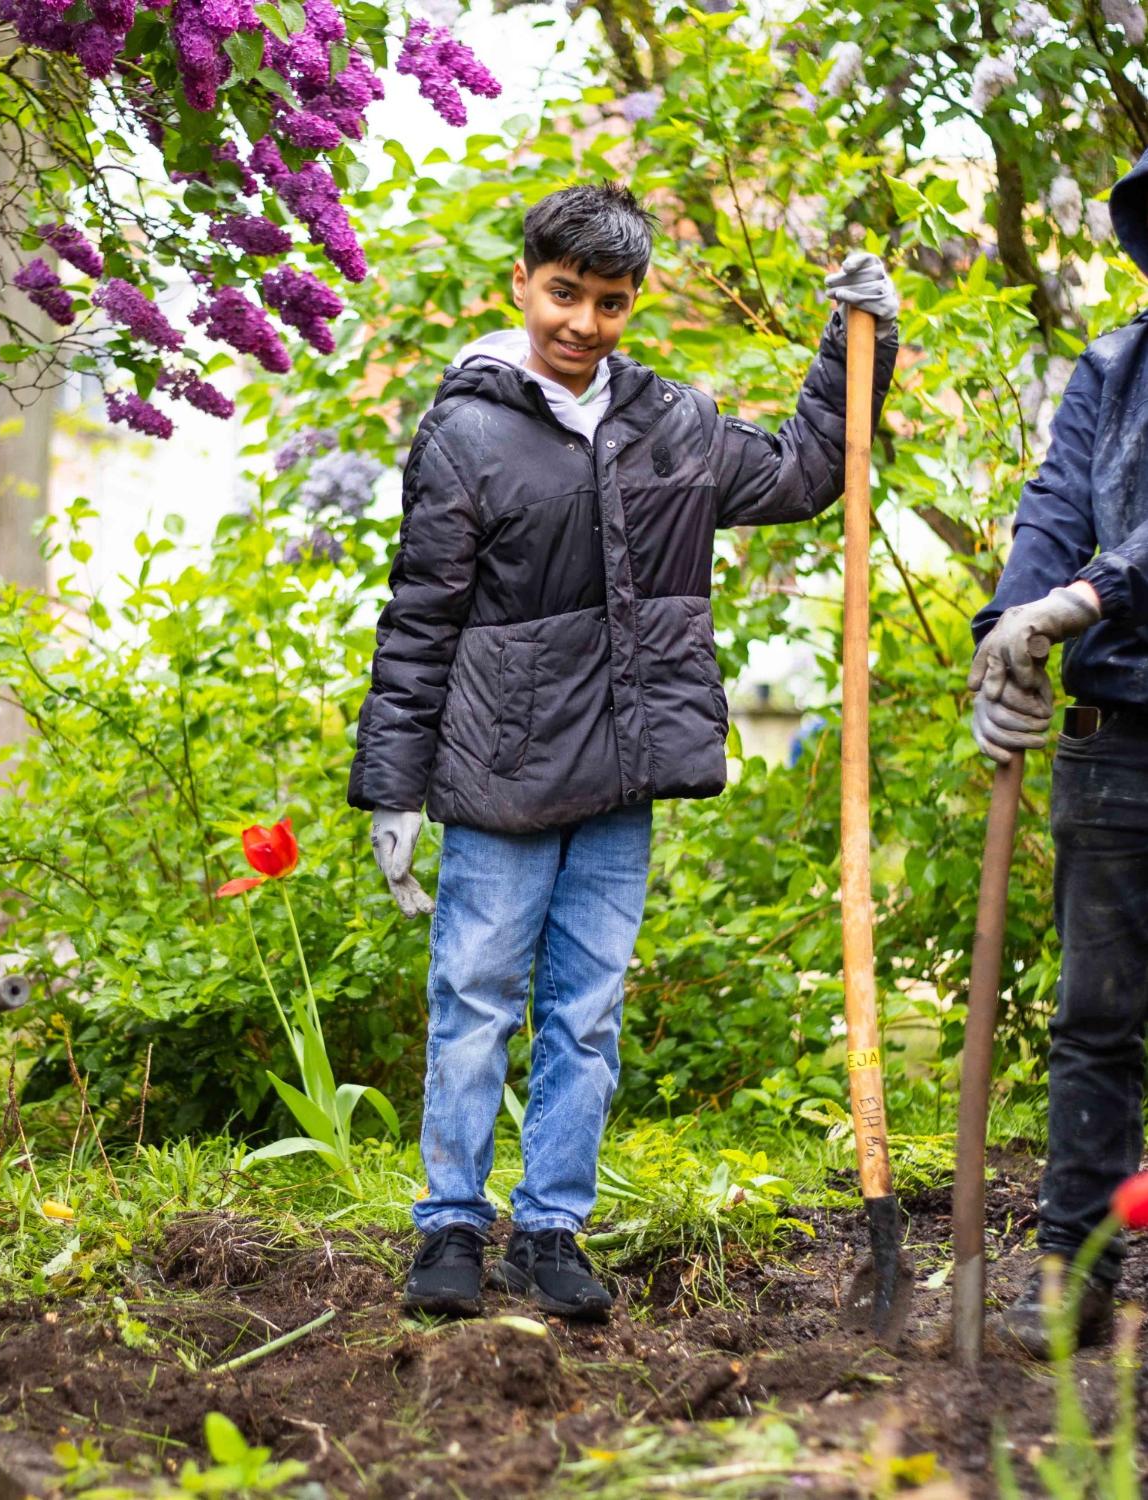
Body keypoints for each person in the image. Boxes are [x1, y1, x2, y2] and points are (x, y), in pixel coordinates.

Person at [347, 182, 899, 1318]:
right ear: (522, 283)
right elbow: (418, 620)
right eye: (564, 294)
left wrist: (862, 346)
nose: (582, 324)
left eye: (608, 302)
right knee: (475, 997)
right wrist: (392, 790)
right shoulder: (468, 430)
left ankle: (552, 1230)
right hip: (499, 773)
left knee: (587, 1013)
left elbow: (805, 471)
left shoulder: (671, 425)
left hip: (623, 769)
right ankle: (451, 1227)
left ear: (631, 301)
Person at [969, 150, 1148, 1359]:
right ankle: (1072, 1276)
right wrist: (1006, 635)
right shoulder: (1114, 367)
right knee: (1095, 1018)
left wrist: (1086, 599)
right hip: (1117, 742)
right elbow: (1053, 511)